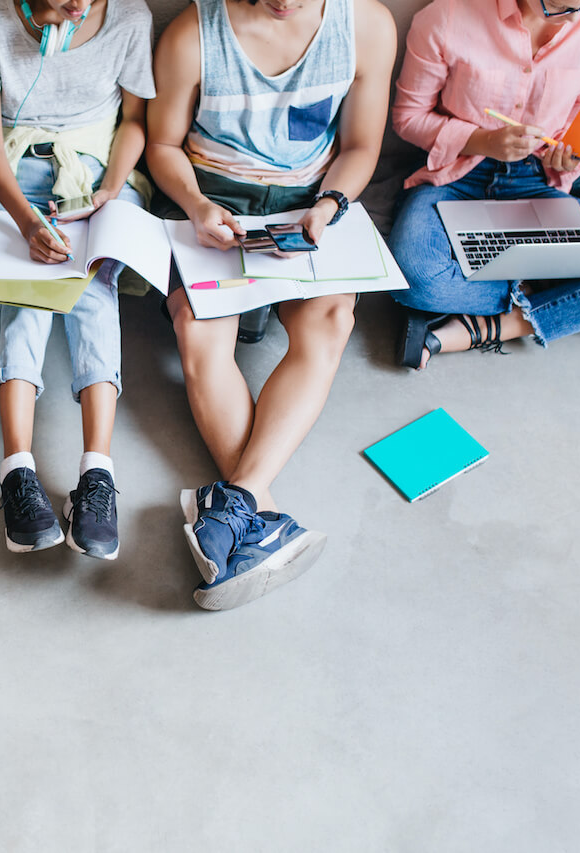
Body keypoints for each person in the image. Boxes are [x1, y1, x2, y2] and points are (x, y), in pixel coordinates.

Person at [146, 0, 395, 610]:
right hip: (212, 199)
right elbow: (162, 145)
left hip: (313, 199)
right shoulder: (191, 35)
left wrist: (330, 205)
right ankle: (260, 512)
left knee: (334, 320)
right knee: (198, 326)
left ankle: (234, 501)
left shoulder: (367, 25)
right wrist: (199, 206)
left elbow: (362, 145)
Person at [389, 0, 580, 369]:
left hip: (537, 181)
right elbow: (408, 117)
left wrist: (570, 154)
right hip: (452, 176)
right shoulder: (446, 16)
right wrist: (483, 141)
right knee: (417, 281)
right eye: (559, 6)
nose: (578, 17)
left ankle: (492, 327)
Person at [0, 0, 154, 560]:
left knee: (94, 285)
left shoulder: (128, 17)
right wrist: (26, 223)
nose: (80, 6)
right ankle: (17, 468)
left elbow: (136, 121)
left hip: (100, 170)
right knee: (26, 293)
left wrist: (112, 190)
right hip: (13, 177)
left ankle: (97, 474)